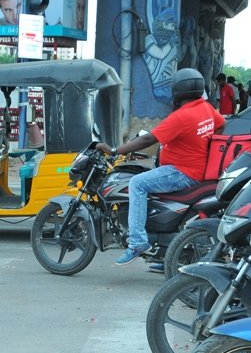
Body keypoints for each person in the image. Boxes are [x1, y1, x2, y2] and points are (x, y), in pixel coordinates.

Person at [96, 68, 225, 265]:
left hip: (182, 172)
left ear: (177, 90)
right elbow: (221, 125)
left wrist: (115, 151)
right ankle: (162, 251)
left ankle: (137, 242)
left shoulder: (181, 117)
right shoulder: (206, 108)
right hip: (192, 169)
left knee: (137, 183)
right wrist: (205, 144)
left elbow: (148, 139)